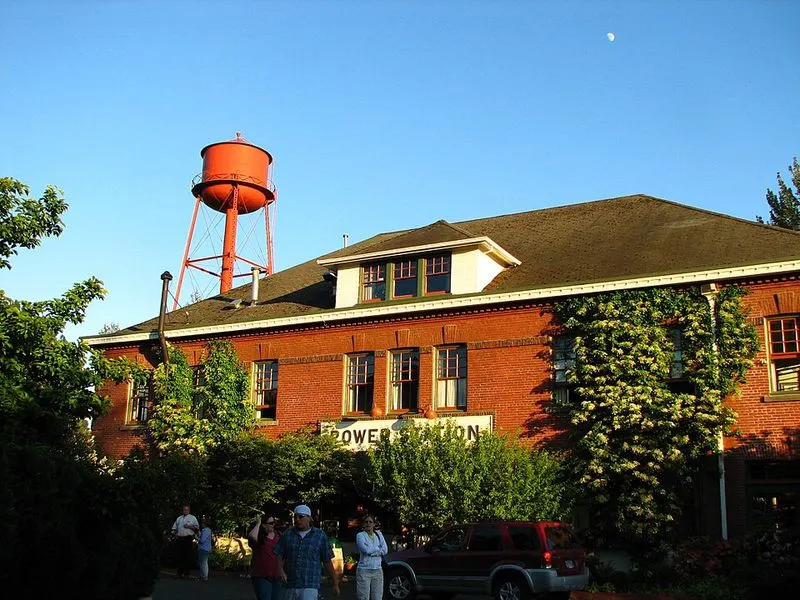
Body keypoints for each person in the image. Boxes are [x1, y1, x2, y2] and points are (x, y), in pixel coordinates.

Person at [275, 504, 340, 600]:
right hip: (290, 583)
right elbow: (279, 554)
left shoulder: (319, 535)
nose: (297, 519)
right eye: (295, 517)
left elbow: (327, 560)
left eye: (301, 517)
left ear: (309, 518)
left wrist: (335, 583)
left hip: (310, 584)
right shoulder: (288, 534)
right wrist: (280, 571)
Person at [248, 513, 283, 600]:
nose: (273, 525)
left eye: (274, 523)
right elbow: (252, 536)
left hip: (276, 576)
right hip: (262, 576)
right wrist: (258, 524)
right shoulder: (259, 537)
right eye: (271, 523)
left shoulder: (278, 535)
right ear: (264, 525)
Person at [355, 515, 388, 600]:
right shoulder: (360, 535)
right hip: (364, 570)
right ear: (363, 524)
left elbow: (385, 550)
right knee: (363, 597)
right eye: (366, 522)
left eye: (370, 522)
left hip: (377, 570)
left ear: (374, 524)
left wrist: (372, 552)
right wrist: (378, 549)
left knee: (377, 597)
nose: (368, 524)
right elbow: (366, 550)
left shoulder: (379, 534)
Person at [171, 504, 199, 579]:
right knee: (179, 556)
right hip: (179, 539)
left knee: (187, 556)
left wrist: (189, 526)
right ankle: (179, 573)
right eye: (184, 509)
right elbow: (174, 528)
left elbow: (197, 529)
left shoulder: (192, 518)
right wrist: (174, 534)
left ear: (189, 510)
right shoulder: (179, 518)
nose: (185, 511)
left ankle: (186, 574)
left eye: (186, 510)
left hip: (188, 539)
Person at [196, 516, 214, 581]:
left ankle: (204, 576)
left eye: (203, 523)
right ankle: (203, 576)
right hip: (205, 549)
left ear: (205, 524)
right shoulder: (206, 530)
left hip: (204, 549)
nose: (202, 524)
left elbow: (202, 540)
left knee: (203, 563)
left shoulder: (206, 531)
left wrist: (195, 537)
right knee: (203, 563)